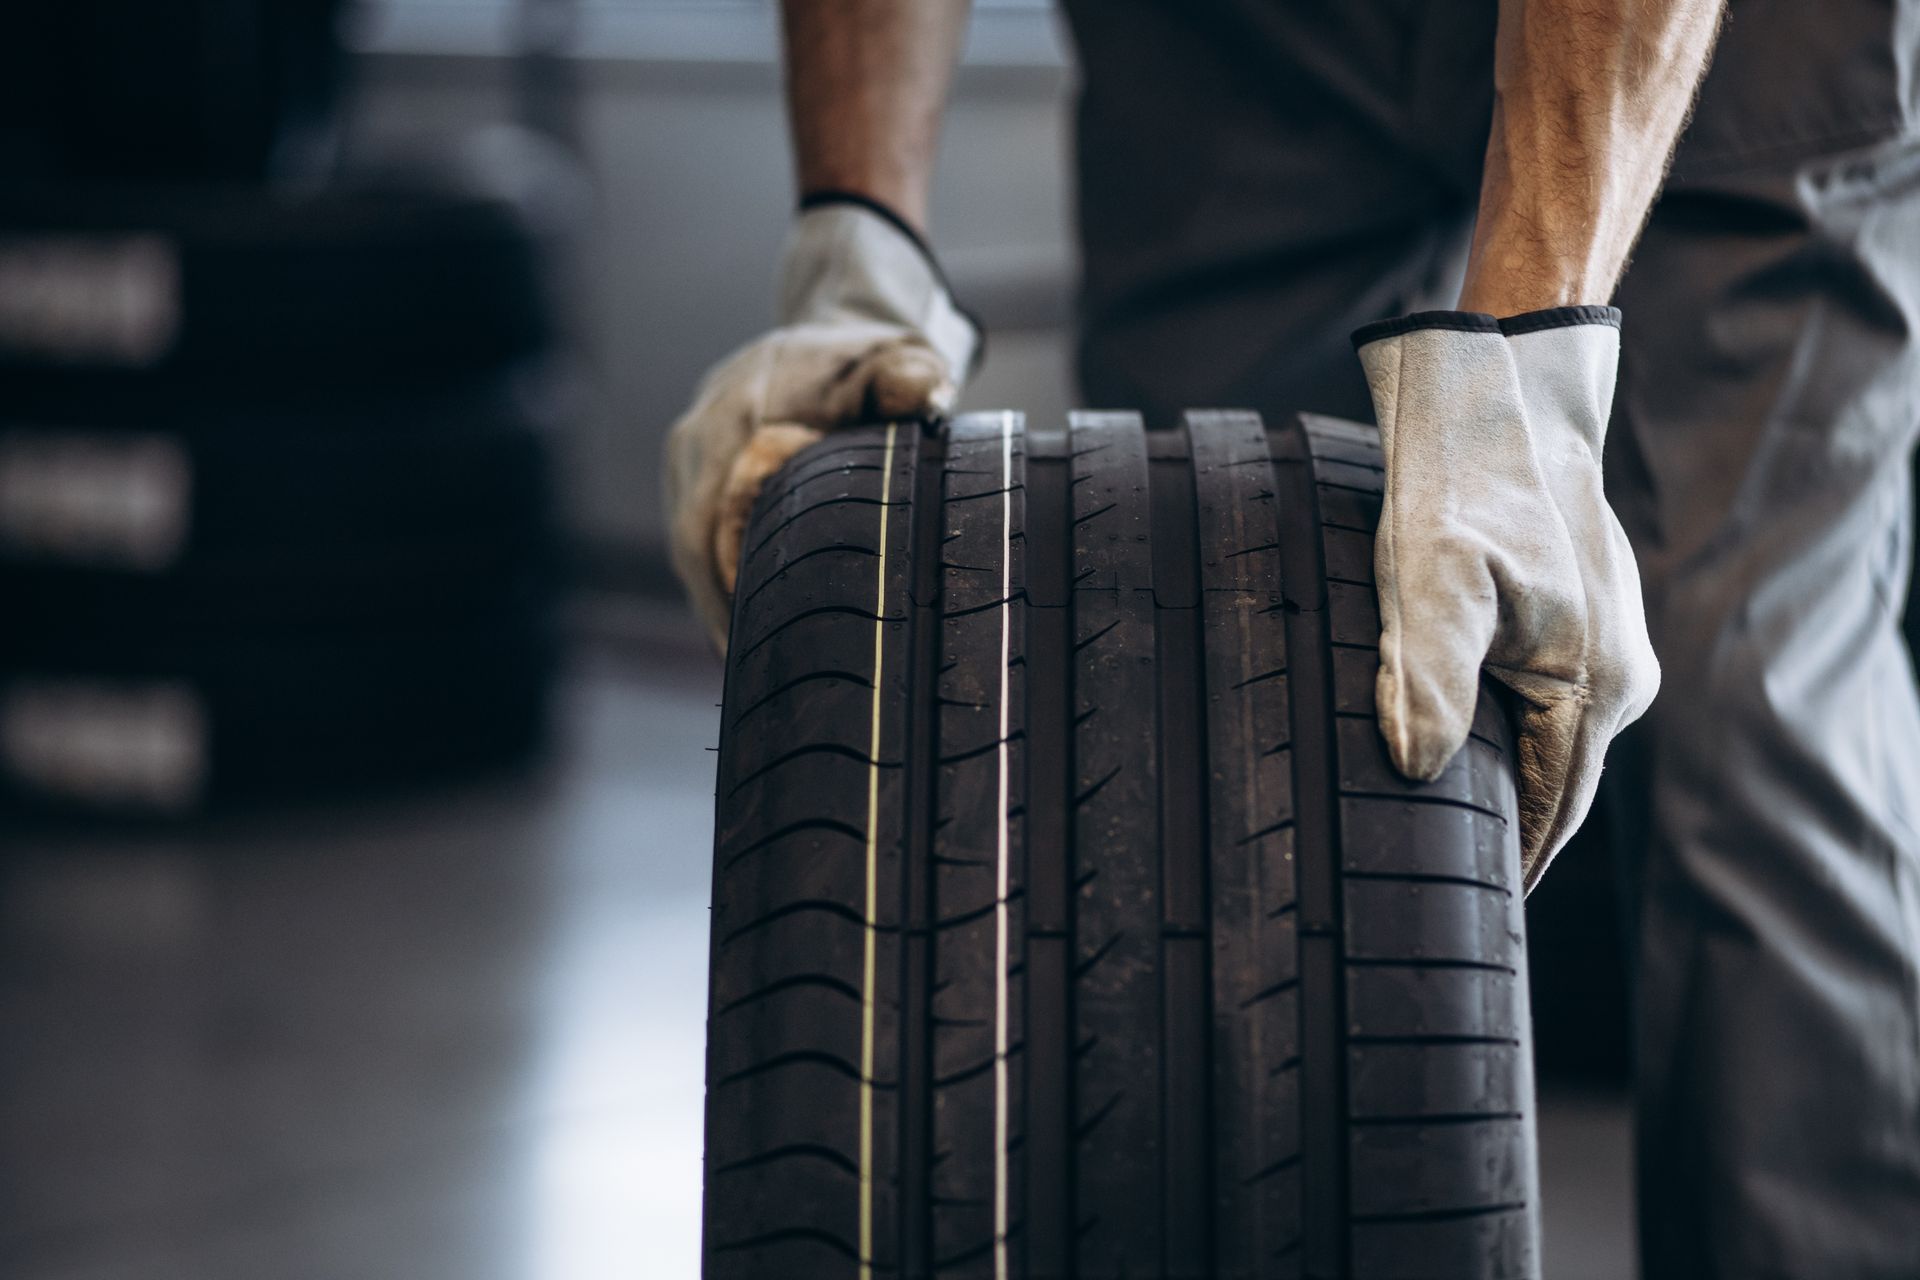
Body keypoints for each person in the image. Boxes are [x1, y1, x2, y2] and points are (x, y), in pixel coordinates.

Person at [664, 0, 1920, 1274]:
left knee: (1739, 700)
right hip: (1243, 41)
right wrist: (860, 232)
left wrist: (1530, 353)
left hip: (1743, 40)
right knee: (1189, 699)